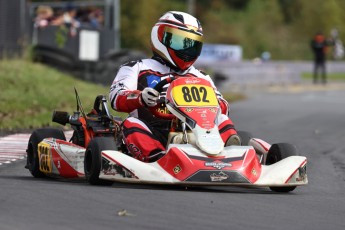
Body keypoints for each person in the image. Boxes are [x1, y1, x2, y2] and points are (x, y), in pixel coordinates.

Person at [109, 11, 241, 162]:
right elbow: (116, 97)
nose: (186, 50)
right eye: (179, 42)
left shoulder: (200, 76)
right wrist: (140, 97)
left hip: (197, 132)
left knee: (222, 118)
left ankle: (231, 154)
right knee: (131, 123)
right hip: (152, 131)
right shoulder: (137, 67)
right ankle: (158, 159)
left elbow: (224, 106)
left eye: (192, 44)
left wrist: (215, 104)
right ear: (160, 37)